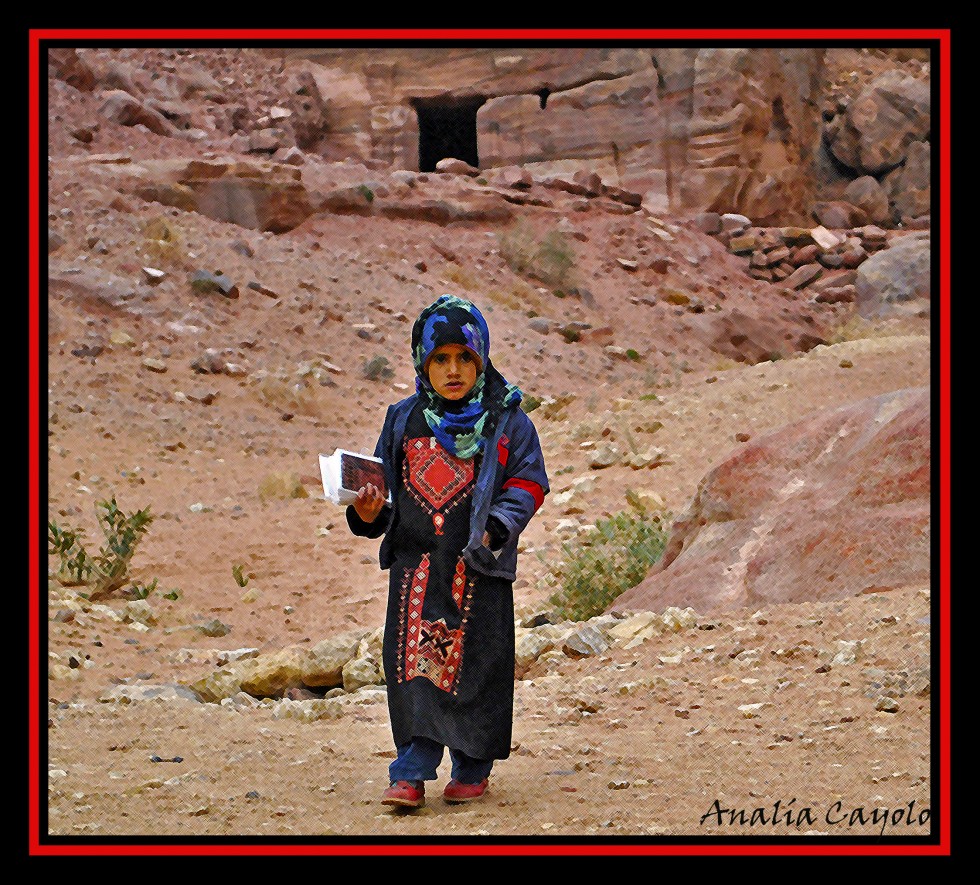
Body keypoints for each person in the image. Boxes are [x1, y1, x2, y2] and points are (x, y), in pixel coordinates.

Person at [346, 294, 549, 809]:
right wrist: (368, 511)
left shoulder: (508, 421)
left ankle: (472, 767)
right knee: (412, 669)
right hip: (416, 570)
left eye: (464, 357)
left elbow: (529, 482)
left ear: (481, 358)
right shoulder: (402, 419)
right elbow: (383, 492)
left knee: (478, 668)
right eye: (440, 358)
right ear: (422, 361)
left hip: (479, 570)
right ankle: (411, 772)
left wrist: (498, 530)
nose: (453, 370)